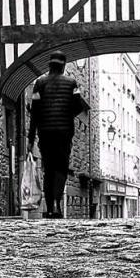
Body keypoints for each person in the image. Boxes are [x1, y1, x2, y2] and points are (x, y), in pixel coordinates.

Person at [27, 50, 85, 218]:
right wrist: (67, 113)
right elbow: (79, 105)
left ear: (50, 65)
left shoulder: (40, 83)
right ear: (63, 66)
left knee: (49, 169)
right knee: (60, 169)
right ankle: (58, 206)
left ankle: (50, 205)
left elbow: (35, 112)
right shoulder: (71, 83)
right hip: (64, 132)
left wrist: (31, 138)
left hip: (45, 132)